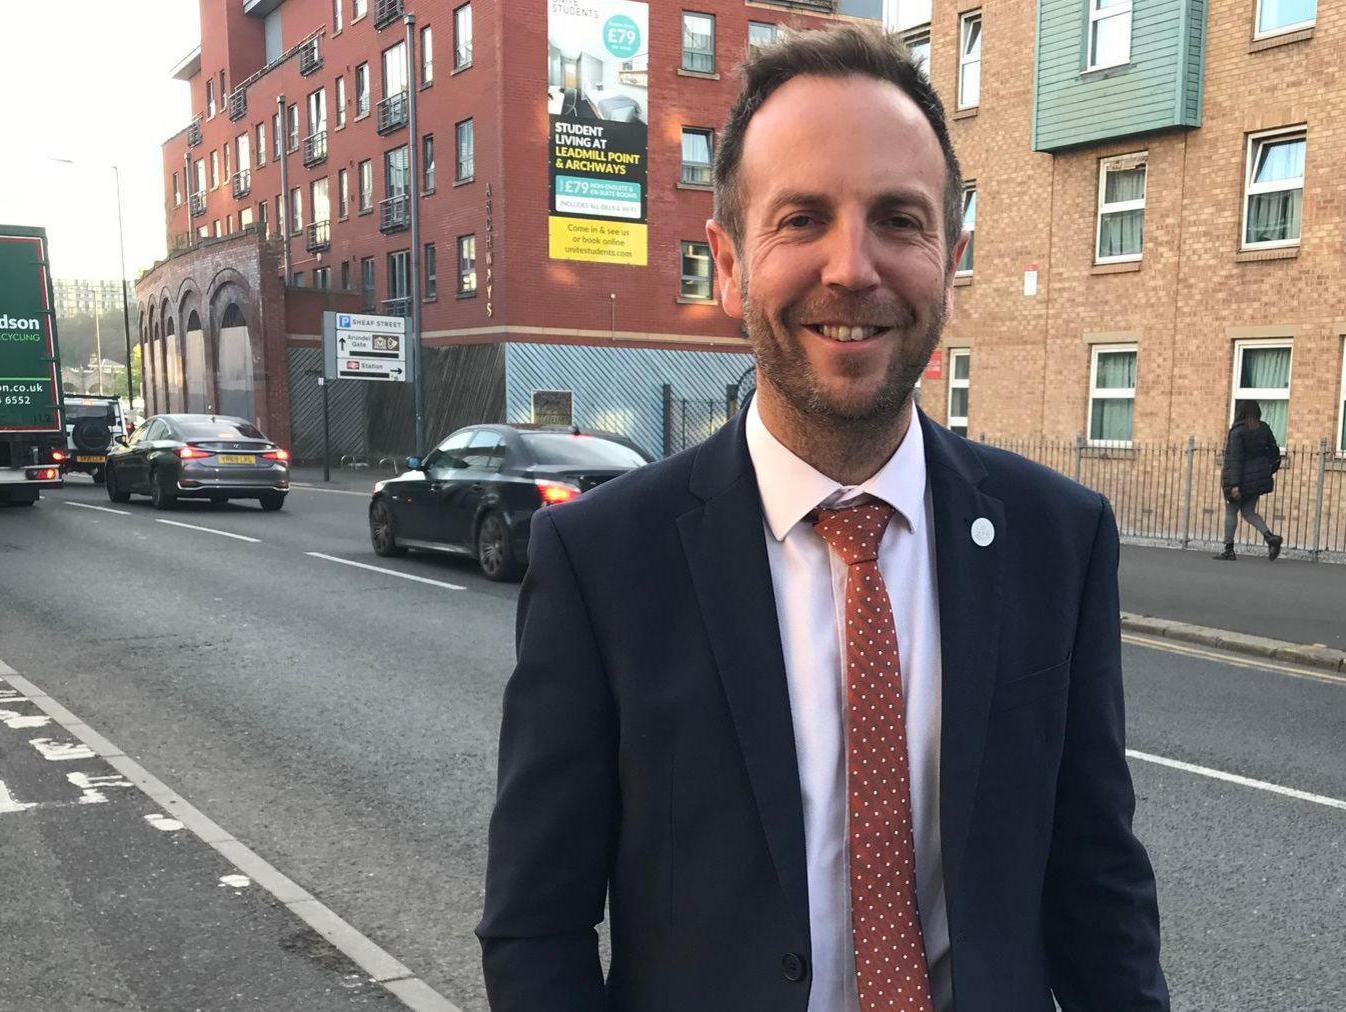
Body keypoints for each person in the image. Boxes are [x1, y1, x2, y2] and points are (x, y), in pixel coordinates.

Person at [478, 24, 1169, 1012]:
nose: (853, 267)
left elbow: (1099, 887)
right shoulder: (601, 561)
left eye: (899, 219)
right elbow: (535, 924)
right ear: (726, 262)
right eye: (801, 219)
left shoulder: (1058, 541)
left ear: (951, 256)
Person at [1216, 401, 1284, 561]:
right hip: (1255, 481)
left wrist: (1234, 485)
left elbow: (1235, 459)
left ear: (1240, 412)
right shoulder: (1264, 428)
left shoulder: (1237, 432)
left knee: (1231, 511)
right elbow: (1274, 453)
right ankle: (1270, 538)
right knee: (1248, 512)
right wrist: (1264, 471)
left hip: (1239, 480)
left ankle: (1229, 549)